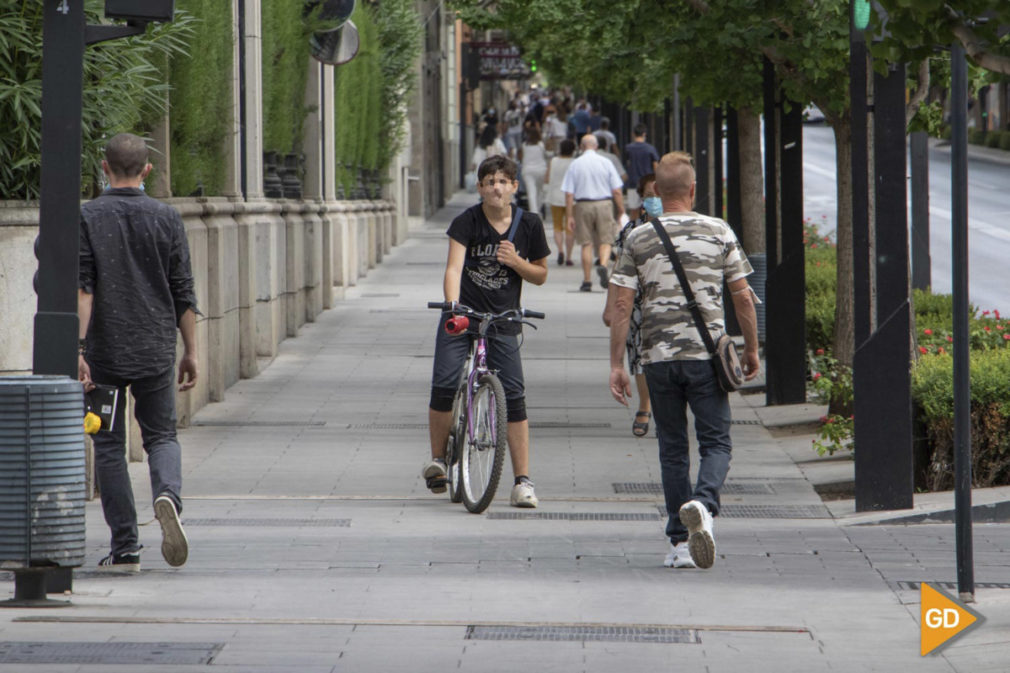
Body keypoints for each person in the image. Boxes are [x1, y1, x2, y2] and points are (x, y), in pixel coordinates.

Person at [607, 151, 760, 570]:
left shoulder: (638, 236)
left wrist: (617, 364)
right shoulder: (718, 230)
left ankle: (679, 544)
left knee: (673, 449)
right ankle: (704, 505)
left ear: (655, 191)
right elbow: (742, 295)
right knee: (716, 442)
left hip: (657, 358)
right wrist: (751, 347)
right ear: (693, 190)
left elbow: (621, 306)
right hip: (707, 356)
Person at [78, 133, 197, 573]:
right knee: (162, 436)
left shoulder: (86, 216)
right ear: (148, 171)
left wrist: (79, 349)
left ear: (104, 168)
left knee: (108, 445)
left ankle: (125, 548)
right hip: (154, 347)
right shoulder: (167, 218)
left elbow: (83, 291)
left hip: (106, 352)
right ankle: (168, 494)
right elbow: (183, 292)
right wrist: (193, 351)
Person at [422, 155, 551, 508]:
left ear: (514, 187)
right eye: (489, 181)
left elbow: (541, 274)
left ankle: (522, 481)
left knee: (514, 395)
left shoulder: (530, 224)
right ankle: (438, 460)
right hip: (463, 314)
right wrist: (453, 307)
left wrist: (516, 263)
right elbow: (454, 268)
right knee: (445, 382)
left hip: (503, 319)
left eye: (503, 181)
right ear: (480, 188)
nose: (496, 186)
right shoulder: (467, 222)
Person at [602, 173, 660, 437]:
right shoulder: (631, 230)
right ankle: (646, 404)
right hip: (636, 302)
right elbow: (618, 270)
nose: (655, 200)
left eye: (659, 194)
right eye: (649, 195)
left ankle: (667, 410)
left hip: (668, 303)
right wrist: (610, 305)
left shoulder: (679, 228)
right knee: (638, 356)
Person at [561, 134, 625, 292]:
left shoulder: (575, 164)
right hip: (604, 203)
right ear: (596, 146)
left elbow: (569, 194)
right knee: (606, 241)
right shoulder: (606, 162)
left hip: (583, 205)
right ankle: (603, 264)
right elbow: (616, 190)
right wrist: (621, 211)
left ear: (581, 147)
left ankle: (587, 280)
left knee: (586, 243)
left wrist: (569, 215)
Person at [544, 139, 577, 266]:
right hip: (571, 199)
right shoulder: (574, 163)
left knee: (557, 226)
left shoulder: (553, 161)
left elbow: (547, 178)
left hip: (555, 197)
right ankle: (569, 256)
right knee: (570, 228)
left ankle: (560, 250)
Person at [623, 124, 660, 218]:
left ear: (633, 134)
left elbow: (625, 165)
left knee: (633, 210)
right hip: (648, 184)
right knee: (648, 210)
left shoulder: (628, 148)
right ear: (644, 134)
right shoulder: (650, 149)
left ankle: (633, 229)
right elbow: (656, 166)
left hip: (633, 183)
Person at [519, 126, 548, 216]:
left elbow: (520, 158)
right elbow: (545, 155)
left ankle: (534, 213)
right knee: (540, 192)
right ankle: (538, 209)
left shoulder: (524, 145)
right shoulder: (541, 145)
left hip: (527, 170)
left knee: (531, 192)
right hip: (541, 170)